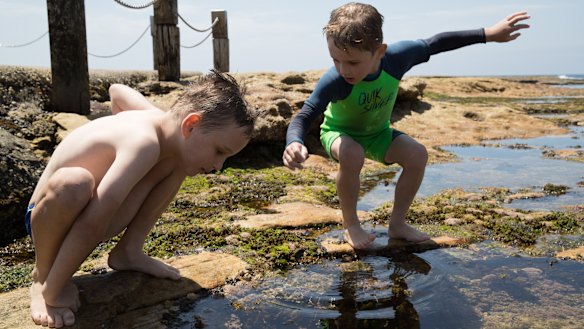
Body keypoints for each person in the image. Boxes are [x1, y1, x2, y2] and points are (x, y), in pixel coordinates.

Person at [282, 2, 530, 249]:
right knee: (352, 153)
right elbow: (305, 115)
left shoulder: (396, 59)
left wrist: (488, 33)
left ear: (379, 51)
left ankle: (398, 224)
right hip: (339, 134)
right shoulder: (335, 80)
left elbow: (438, 42)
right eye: (335, 60)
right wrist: (294, 141)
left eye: (353, 63)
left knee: (417, 155)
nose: (343, 69)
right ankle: (351, 224)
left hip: (378, 134)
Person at [25, 70, 256, 328]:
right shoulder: (142, 143)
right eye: (219, 151)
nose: (218, 166)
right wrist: (54, 291)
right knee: (74, 182)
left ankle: (129, 250)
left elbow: (117, 91)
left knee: (179, 159)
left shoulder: (160, 120)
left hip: (87, 214)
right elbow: (92, 224)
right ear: (190, 124)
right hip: (48, 217)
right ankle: (42, 276)